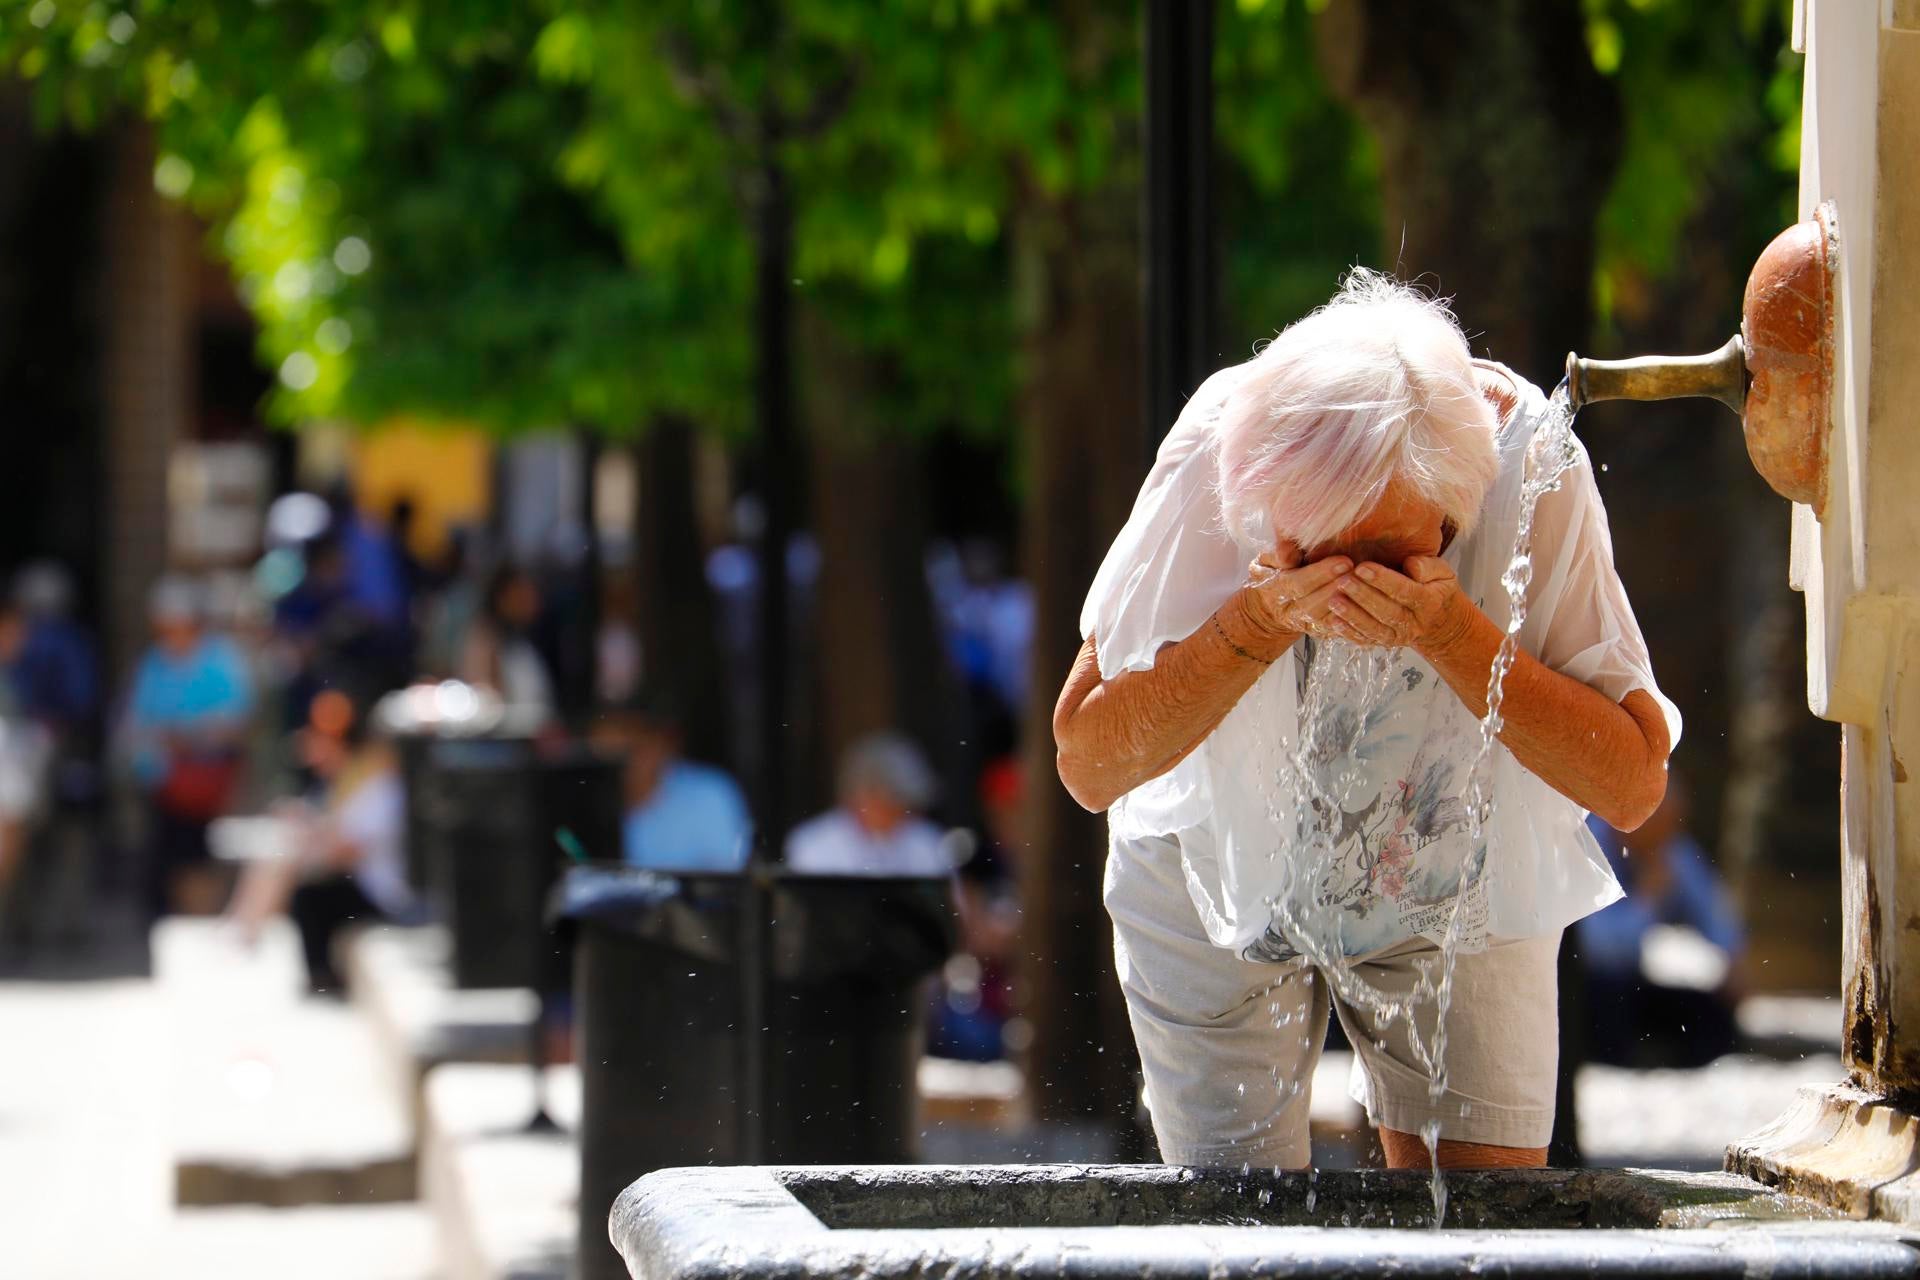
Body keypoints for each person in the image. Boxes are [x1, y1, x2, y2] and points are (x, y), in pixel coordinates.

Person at [1054, 271, 1678, 1172]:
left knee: (1483, 1224)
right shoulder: (1223, 445)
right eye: (1309, 550)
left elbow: (1631, 784)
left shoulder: (1533, 467)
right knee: (1238, 1222)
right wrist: (1255, 622)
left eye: (1381, 556)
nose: (1342, 586)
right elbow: (1088, 760)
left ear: (1456, 513)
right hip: (1213, 863)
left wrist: (1453, 633)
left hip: (1456, 863)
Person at [229, 687, 414, 994]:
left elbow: (347, 849)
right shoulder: (351, 777)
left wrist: (303, 851)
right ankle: (244, 931)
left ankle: (315, 973)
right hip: (361, 878)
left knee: (307, 891)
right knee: (282, 859)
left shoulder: (378, 783)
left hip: (382, 892)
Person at [1578, 780, 1747, 1067]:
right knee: (1608, 1003)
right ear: (1634, 817)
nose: (1668, 837)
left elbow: (1714, 911)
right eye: (1661, 827)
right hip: (1590, 985)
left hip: (1635, 982)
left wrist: (1734, 959)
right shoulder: (1590, 845)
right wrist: (1648, 899)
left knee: (1713, 1018)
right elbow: (1600, 949)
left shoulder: (1668, 847)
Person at [121, 577, 255, 917]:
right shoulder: (155, 660)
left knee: (198, 863)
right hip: (161, 782)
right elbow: (137, 719)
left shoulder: (222, 661)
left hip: (206, 785)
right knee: (163, 862)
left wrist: (186, 737)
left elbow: (235, 724)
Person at [588, 694, 752, 872]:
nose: (620, 766)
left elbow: (728, 876)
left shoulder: (710, 793)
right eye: (604, 755)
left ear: (658, 743)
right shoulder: (586, 803)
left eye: (630, 748)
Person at [785, 733, 953, 877]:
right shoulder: (814, 843)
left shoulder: (928, 841)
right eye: (894, 802)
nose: (905, 813)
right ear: (864, 795)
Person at [458, 566, 556, 719]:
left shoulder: (527, 640)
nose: (530, 602)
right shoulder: (485, 640)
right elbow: (485, 699)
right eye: (520, 596)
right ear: (502, 598)